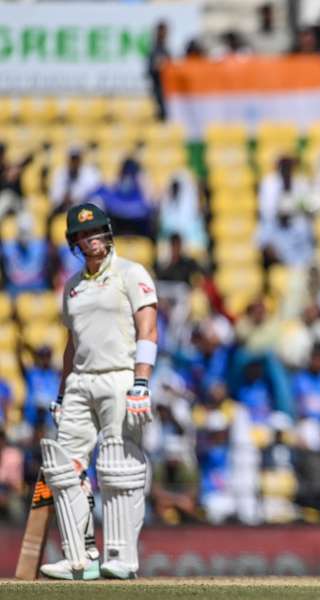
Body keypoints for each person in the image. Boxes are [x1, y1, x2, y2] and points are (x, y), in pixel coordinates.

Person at [37, 203, 158, 580]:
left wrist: (141, 381)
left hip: (119, 377)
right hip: (80, 382)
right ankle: (80, 558)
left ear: (107, 233)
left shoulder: (130, 273)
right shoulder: (72, 286)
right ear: (74, 243)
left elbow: (148, 330)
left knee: (118, 467)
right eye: (82, 236)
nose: (90, 240)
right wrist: (61, 393)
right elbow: (72, 345)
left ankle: (121, 557)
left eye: (95, 232)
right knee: (63, 468)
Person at [147, 21, 170, 120]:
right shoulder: (154, 50)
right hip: (159, 88)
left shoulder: (165, 49)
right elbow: (151, 70)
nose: (164, 34)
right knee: (161, 113)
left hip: (167, 89)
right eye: (162, 31)